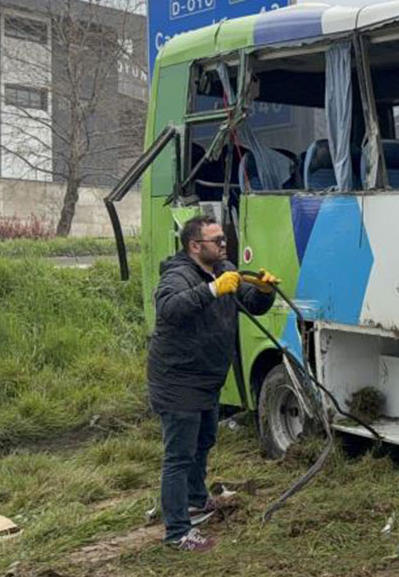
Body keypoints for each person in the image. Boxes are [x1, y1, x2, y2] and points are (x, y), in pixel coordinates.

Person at [148, 215, 277, 551]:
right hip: (177, 380)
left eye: (224, 239)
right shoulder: (177, 275)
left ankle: (195, 498)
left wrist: (265, 292)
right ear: (194, 246)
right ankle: (177, 533)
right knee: (179, 455)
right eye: (216, 240)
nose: (224, 244)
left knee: (204, 441)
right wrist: (210, 290)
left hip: (207, 378)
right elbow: (169, 308)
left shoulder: (224, 269)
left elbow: (252, 303)